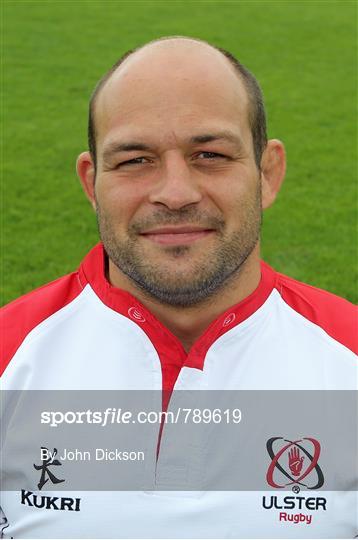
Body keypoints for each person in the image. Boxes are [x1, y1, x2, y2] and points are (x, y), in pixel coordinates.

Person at [0, 36, 356, 539]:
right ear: (91, 184)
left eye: (209, 154)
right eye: (134, 160)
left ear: (267, 173)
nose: (175, 193)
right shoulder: (9, 356)